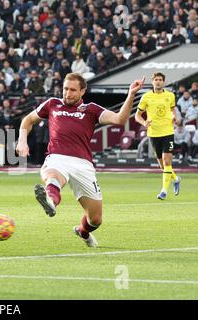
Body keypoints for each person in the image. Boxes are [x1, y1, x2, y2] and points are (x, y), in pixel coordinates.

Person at [16, 73, 144, 247]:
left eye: (72, 90)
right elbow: (28, 120)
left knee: (96, 219)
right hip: (57, 158)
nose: (67, 93)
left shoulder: (91, 109)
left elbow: (120, 119)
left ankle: (83, 231)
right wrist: (22, 141)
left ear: (83, 91)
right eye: (65, 89)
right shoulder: (52, 104)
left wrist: (131, 94)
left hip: (83, 165)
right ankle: (50, 201)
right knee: (52, 176)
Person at [135, 72, 181, 200]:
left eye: (160, 79)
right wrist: (144, 122)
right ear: (153, 82)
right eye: (156, 79)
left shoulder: (170, 96)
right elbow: (137, 115)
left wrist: (174, 117)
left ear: (164, 82)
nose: (158, 82)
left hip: (168, 132)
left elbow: (172, 110)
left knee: (167, 162)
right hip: (154, 133)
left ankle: (164, 191)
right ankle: (176, 179)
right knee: (162, 166)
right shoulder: (146, 97)